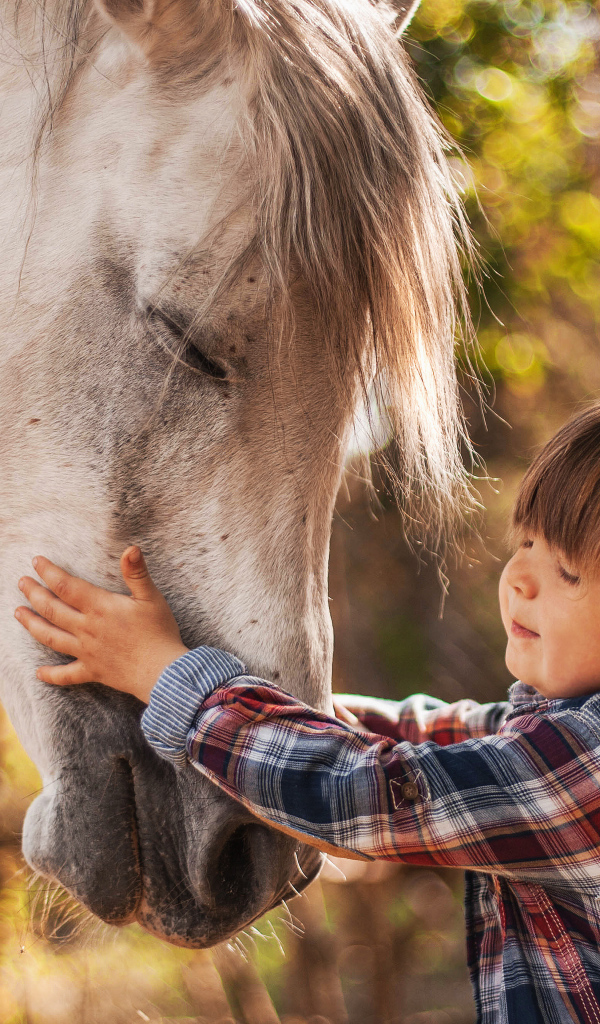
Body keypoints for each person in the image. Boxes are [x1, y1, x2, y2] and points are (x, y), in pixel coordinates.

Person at [13, 404, 600, 1024]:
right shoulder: (556, 732)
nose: (518, 577)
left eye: (565, 570)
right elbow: (435, 737)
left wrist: (168, 680)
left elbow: (370, 791)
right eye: (526, 541)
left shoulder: (581, 769)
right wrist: (292, 706)